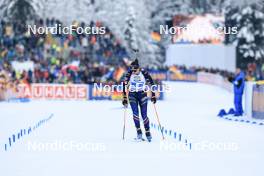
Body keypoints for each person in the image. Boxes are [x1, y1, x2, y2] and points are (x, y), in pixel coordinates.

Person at [122, 59, 156, 142]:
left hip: (142, 94)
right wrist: (124, 98)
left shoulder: (144, 73)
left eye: (135, 70)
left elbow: (151, 83)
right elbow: (124, 85)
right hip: (132, 95)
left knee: (144, 115)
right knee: (135, 113)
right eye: (132, 70)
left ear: (139, 68)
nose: (133, 71)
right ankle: (139, 132)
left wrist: (153, 95)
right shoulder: (129, 73)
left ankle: (147, 132)